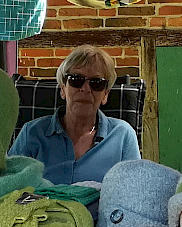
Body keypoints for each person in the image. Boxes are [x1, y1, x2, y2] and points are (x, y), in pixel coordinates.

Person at [9, 45, 139, 184]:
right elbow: (8, 185)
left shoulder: (122, 135)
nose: (85, 89)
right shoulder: (31, 133)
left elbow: (133, 190)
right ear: (63, 89)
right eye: (76, 80)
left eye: (96, 83)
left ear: (105, 95)